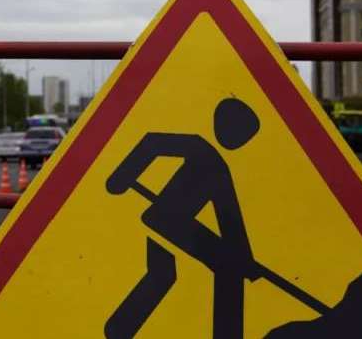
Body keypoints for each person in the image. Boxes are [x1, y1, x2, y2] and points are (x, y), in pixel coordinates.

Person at [104, 97, 262, 339]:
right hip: (169, 220)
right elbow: (152, 143)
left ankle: (119, 327)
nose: (243, 141)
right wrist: (120, 178)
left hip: (172, 222)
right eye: (243, 133)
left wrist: (246, 259)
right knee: (226, 269)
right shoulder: (202, 150)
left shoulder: (219, 167)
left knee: (163, 274)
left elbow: (229, 218)